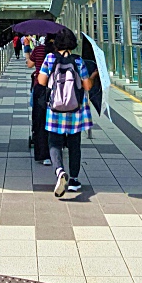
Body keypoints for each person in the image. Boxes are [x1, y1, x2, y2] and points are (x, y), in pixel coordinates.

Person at [37, 28, 93, 196]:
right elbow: (87, 86)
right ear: (73, 43)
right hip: (76, 110)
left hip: (55, 109)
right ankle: (74, 179)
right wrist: (94, 76)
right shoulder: (78, 61)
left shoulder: (50, 58)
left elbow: (41, 81)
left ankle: (60, 171)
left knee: (54, 142)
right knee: (75, 144)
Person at [27, 36, 50, 164]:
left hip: (39, 88)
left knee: (40, 119)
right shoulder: (57, 53)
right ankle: (57, 146)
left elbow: (30, 64)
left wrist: (28, 54)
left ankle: (42, 152)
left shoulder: (38, 50)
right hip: (57, 92)